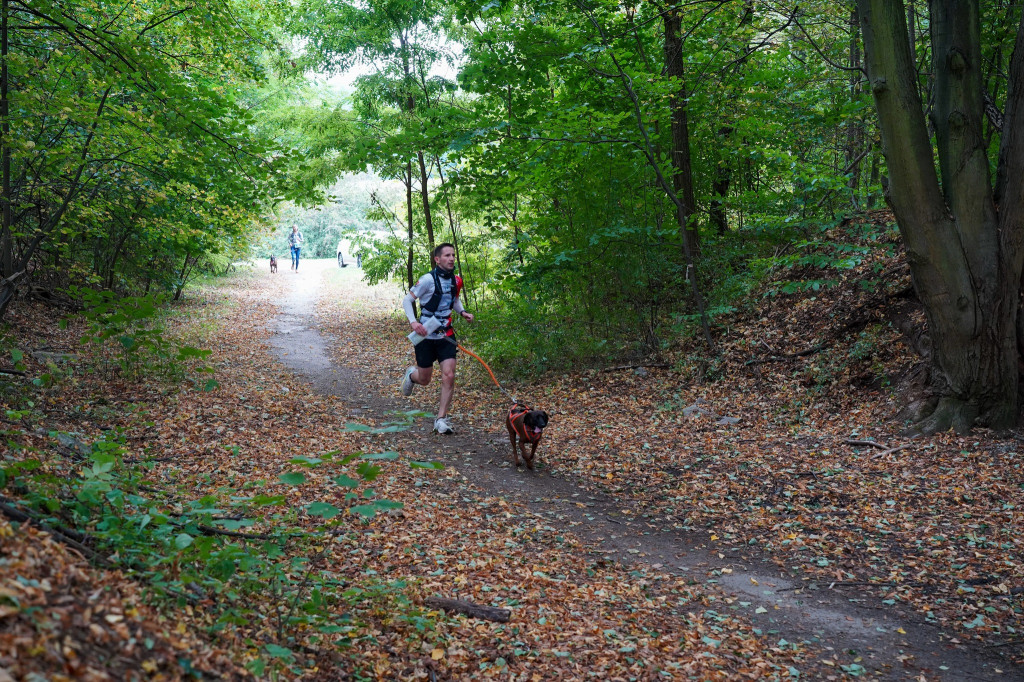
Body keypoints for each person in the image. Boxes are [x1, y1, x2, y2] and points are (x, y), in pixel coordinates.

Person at [400, 243, 474, 434]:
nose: (451, 259)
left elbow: (454, 300)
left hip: (446, 335)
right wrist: (413, 322)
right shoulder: (426, 280)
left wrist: (463, 312)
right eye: (447, 255)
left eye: (453, 255)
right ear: (437, 259)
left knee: (449, 375)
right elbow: (407, 300)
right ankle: (411, 375)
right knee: (425, 379)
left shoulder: (457, 281)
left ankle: (441, 419)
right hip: (425, 334)